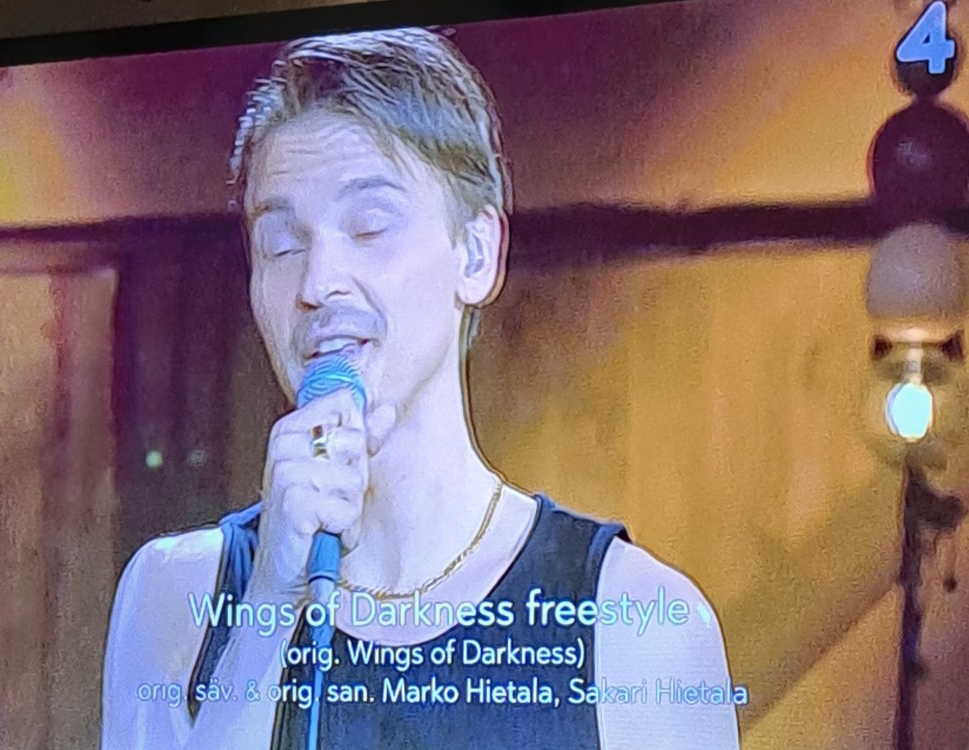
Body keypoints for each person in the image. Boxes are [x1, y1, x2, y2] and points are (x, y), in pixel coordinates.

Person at [101, 27, 741, 750]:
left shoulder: (635, 621)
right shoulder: (176, 596)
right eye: (281, 243)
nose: (318, 283)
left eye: (369, 227)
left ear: (476, 253)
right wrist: (270, 606)